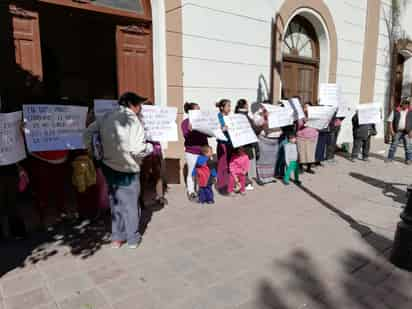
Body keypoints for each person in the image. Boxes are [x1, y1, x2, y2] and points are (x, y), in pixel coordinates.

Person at [84, 92, 153, 249]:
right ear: (131, 104)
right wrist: (148, 147)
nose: (141, 108)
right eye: (139, 104)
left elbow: (87, 133)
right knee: (130, 205)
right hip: (128, 169)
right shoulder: (133, 121)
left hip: (109, 167)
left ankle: (117, 238)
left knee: (116, 203)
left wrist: (93, 151)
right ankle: (132, 239)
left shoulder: (106, 116)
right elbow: (137, 149)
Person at [181, 102, 209, 201]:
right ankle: (191, 191)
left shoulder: (203, 121)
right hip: (191, 151)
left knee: (202, 172)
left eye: (199, 109)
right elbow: (186, 136)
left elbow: (209, 134)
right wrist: (190, 130)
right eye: (197, 109)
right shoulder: (185, 123)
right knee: (191, 172)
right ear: (191, 112)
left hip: (203, 151)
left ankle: (201, 189)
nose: (199, 111)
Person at [253, 102, 282, 185]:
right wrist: (265, 117)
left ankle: (270, 177)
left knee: (272, 160)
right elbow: (257, 123)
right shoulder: (258, 113)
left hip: (275, 140)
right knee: (263, 160)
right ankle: (261, 178)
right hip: (265, 140)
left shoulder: (276, 112)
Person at [235, 99, 258, 190]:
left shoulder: (237, 115)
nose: (248, 105)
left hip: (240, 143)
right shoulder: (245, 116)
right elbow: (253, 129)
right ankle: (244, 182)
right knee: (244, 164)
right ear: (244, 106)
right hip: (246, 144)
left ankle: (241, 181)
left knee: (240, 163)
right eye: (247, 104)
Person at [386, 99, 412, 164]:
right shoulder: (395, 111)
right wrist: (391, 130)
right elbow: (390, 121)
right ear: (401, 104)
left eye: (407, 104)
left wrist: (411, 131)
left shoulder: (410, 111)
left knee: (408, 147)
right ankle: (390, 158)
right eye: (404, 103)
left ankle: (408, 160)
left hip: (407, 131)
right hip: (397, 131)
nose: (405, 105)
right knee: (393, 145)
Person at [216, 99, 233, 194]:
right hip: (222, 144)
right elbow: (214, 130)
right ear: (222, 107)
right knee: (222, 165)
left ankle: (227, 184)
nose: (230, 108)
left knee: (228, 165)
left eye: (230, 106)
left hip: (230, 143)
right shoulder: (218, 117)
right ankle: (221, 186)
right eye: (228, 106)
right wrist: (222, 129)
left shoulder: (229, 117)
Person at [296, 102, 318, 174]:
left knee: (310, 153)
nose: (306, 109)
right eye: (305, 107)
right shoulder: (300, 116)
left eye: (308, 107)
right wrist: (304, 122)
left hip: (312, 137)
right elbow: (299, 126)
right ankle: (300, 167)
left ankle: (309, 168)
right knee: (301, 153)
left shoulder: (315, 116)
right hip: (302, 137)